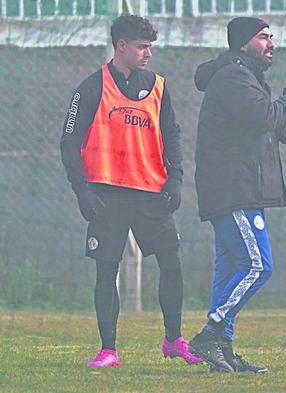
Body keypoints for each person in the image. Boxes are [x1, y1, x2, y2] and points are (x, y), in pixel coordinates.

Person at [60, 14, 201, 368]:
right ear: (120, 46)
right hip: (106, 193)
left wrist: (177, 177)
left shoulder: (158, 86)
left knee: (171, 261)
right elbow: (69, 142)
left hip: (152, 192)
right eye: (142, 47)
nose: (148, 54)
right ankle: (109, 350)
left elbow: (173, 134)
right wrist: (82, 191)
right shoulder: (91, 88)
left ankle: (173, 340)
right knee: (107, 270)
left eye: (150, 47)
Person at [188, 16, 286, 373]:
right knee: (259, 265)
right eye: (263, 37)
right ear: (244, 42)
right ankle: (212, 333)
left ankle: (221, 351)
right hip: (235, 189)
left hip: (236, 186)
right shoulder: (234, 75)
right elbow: (264, 114)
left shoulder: (243, 74)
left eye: (272, 37)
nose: (271, 43)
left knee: (230, 267)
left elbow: (256, 126)